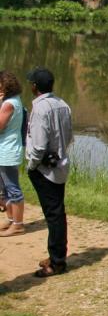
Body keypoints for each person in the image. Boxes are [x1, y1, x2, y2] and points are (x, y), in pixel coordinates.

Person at [25, 67, 73, 277]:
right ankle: (56, 254)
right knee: (56, 213)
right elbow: (69, 136)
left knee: (53, 215)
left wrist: (32, 165)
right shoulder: (63, 104)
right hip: (60, 165)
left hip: (45, 169)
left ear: (35, 87)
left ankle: (57, 262)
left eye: (31, 83)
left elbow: (38, 145)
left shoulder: (40, 109)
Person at [0, 71, 26, 236]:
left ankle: (18, 224)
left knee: (12, 188)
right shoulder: (11, 101)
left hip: (7, 152)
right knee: (5, 189)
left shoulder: (9, 104)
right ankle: (11, 219)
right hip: (5, 150)